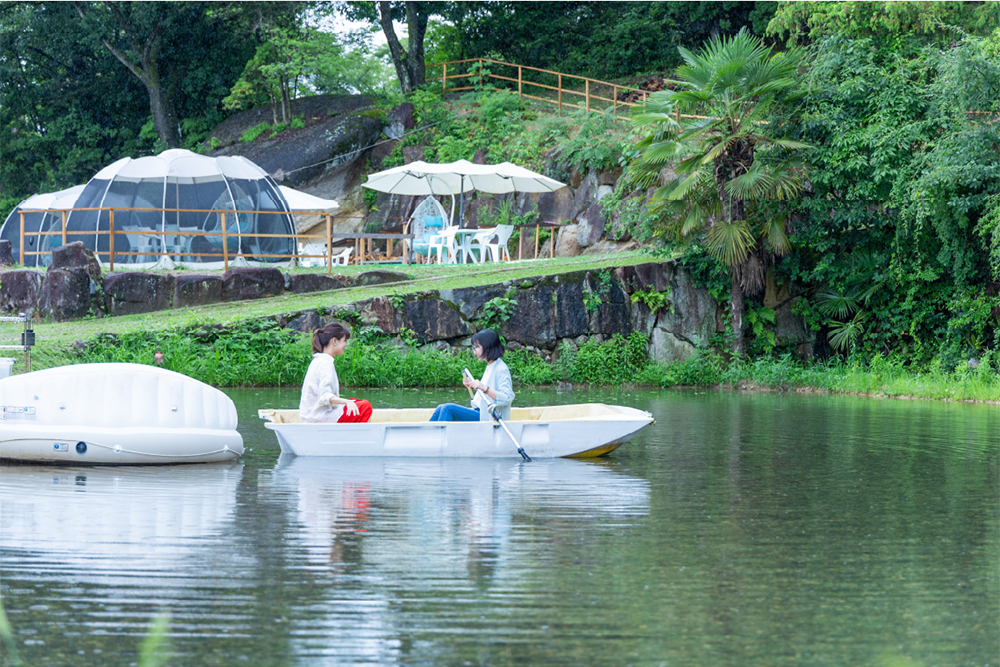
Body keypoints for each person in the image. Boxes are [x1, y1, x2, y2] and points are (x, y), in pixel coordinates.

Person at [430, 329, 514, 422]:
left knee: (447, 409)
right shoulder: (491, 366)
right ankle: (427, 435)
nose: (474, 352)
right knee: (440, 408)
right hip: (480, 412)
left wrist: (485, 388)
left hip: (488, 417)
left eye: (477, 347)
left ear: (488, 347)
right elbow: (484, 396)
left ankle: (436, 436)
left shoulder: (501, 369)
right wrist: (471, 385)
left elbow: (507, 398)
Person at [299, 322, 372, 423]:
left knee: (356, 403)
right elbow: (324, 396)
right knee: (365, 406)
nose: (346, 344)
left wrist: (348, 402)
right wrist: (346, 402)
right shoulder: (325, 363)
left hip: (313, 415)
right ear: (334, 341)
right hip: (318, 417)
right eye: (344, 341)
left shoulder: (319, 360)